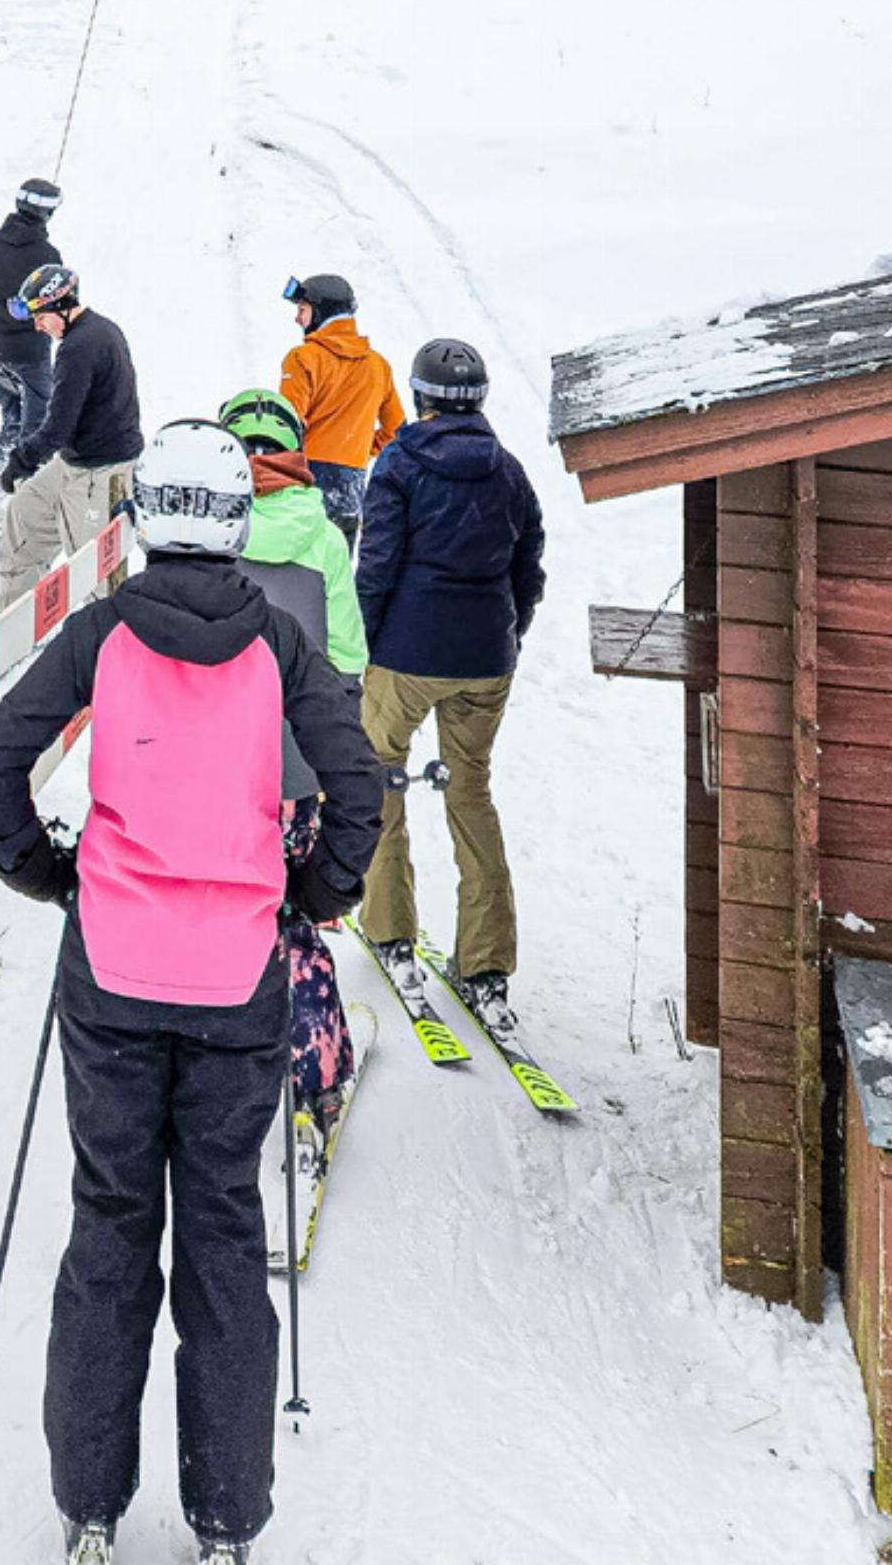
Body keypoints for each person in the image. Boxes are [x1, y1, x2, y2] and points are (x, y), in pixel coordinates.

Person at [0, 420, 383, 1565]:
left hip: (111, 969)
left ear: (147, 517)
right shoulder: (278, 647)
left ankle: (92, 1510)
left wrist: (44, 869)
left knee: (109, 1223)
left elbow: (0, 759)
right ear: (236, 522)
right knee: (221, 1227)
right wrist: (314, 891)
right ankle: (226, 1521)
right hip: (235, 977)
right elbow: (355, 779)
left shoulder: (100, 633)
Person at [356, 337, 545, 1017]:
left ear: (420, 397)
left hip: (407, 654)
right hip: (485, 660)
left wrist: (368, 648)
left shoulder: (400, 465)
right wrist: (507, 635)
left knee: (379, 774)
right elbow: (530, 569)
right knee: (471, 791)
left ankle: (389, 929)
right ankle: (486, 963)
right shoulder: (510, 472)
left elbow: (375, 566)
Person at [219, 386, 365, 1138]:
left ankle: (217, 1054)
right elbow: (348, 660)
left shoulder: (207, 529)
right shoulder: (325, 537)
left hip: (209, 766)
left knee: (213, 905)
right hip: (292, 772)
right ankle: (320, 1071)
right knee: (291, 915)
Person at [0, 262, 143, 607]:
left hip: (102, 474)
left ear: (61, 306)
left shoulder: (80, 347)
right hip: (74, 463)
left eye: (40, 316)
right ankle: (15, 624)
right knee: (23, 515)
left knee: (94, 573)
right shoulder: (98, 331)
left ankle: (101, 646)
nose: (37, 325)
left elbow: (58, 427)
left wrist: (20, 460)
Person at [278, 272, 403, 551]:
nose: (297, 319)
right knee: (336, 577)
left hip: (305, 482)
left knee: (296, 577)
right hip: (350, 488)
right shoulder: (378, 365)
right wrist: (359, 447)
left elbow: (287, 428)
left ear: (320, 311)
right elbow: (397, 430)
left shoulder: (303, 359)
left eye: (302, 310)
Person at [0, 179, 63, 489]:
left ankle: (1, 485)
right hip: (30, 354)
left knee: (12, 417)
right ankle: (22, 495)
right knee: (36, 428)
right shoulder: (47, 254)